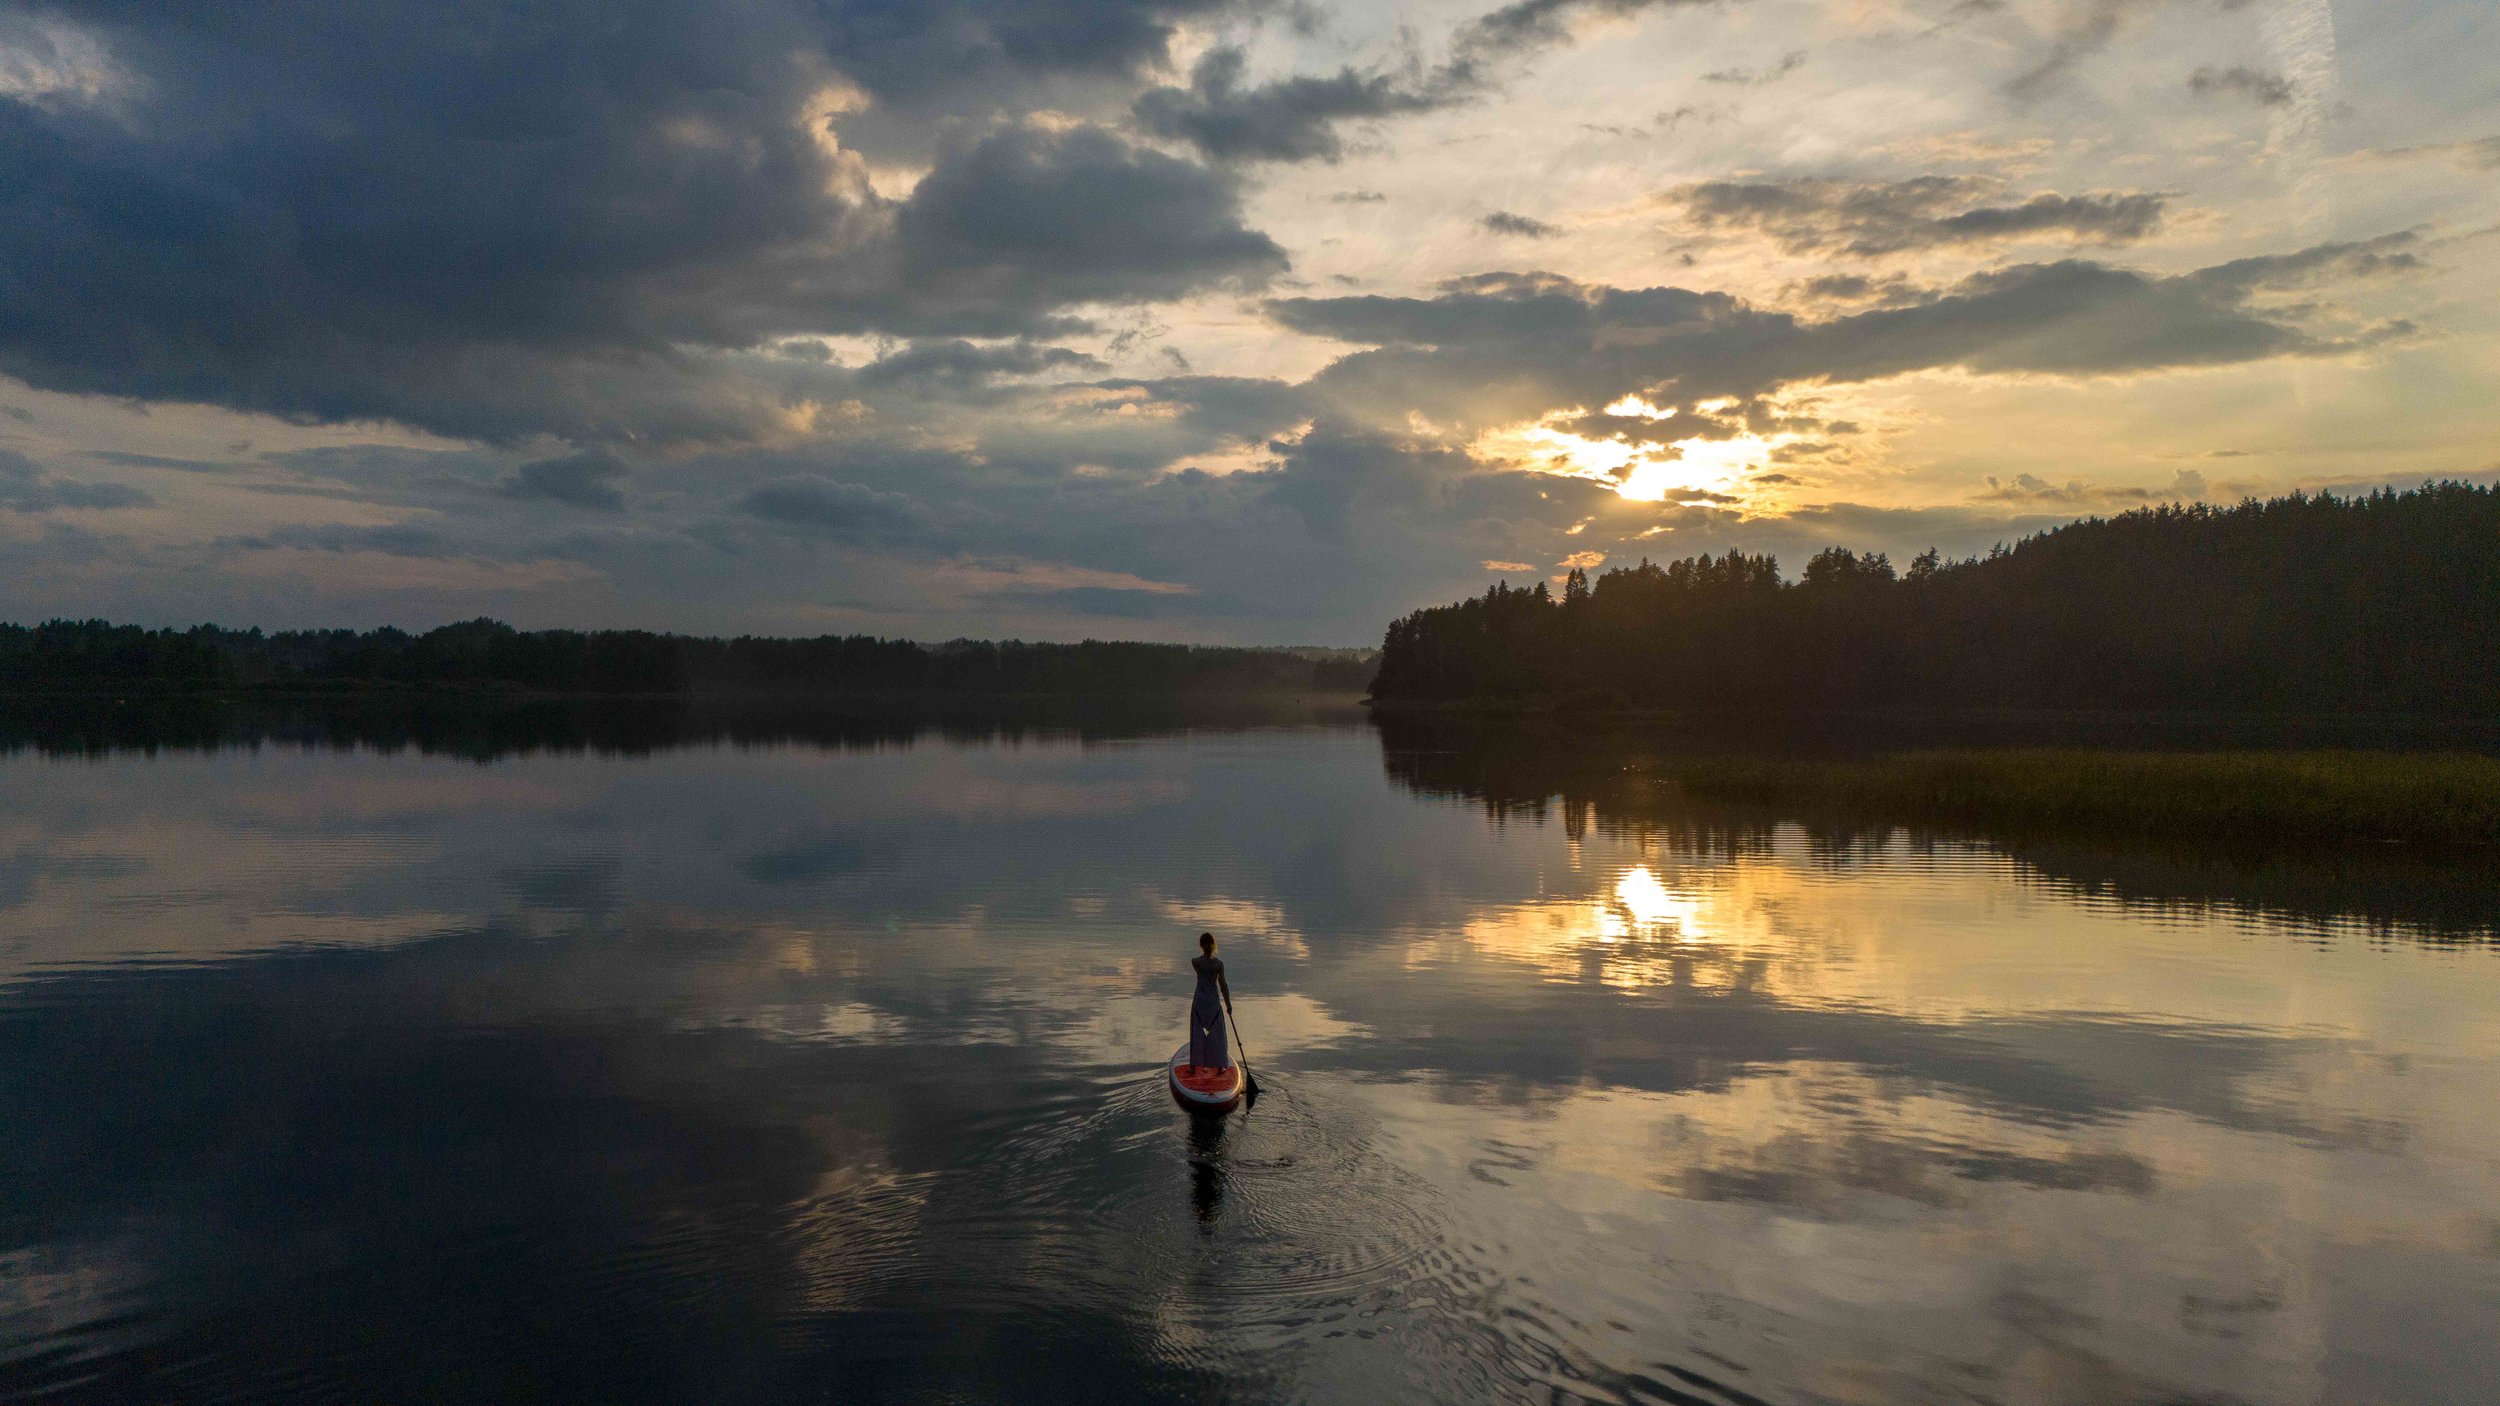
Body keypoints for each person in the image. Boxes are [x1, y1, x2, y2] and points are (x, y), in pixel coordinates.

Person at [1188, 932, 1231, 1072]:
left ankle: (1193, 1067)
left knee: (1196, 1033)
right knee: (1217, 1033)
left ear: (1201, 945)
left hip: (1200, 1001)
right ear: (1214, 945)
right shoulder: (1219, 964)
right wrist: (1228, 1005)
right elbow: (1223, 985)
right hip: (1213, 1002)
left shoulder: (1196, 962)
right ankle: (1219, 1067)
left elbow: (1201, 968)